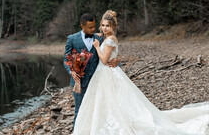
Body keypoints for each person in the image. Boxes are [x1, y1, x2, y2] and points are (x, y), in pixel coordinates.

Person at [73, 10, 209, 134]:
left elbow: (104, 60)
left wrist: (97, 47)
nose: (104, 28)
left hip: (107, 74)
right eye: (102, 25)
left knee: (113, 101)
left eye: (107, 26)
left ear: (113, 27)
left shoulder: (110, 39)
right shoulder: (102, 37)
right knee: (106, 102)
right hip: (102, 74)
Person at [63, 13, 120, 126]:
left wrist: (117, 61)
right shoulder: (72, 39)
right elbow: (66, 58)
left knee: (98, 111)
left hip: (98, 81)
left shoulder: (100, 37)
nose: (93, 29)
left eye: (94, 26)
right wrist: (72, 71)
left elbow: (110, 53)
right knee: (80, 111)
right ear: (82, 26)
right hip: (80, 82)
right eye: (90, 27)